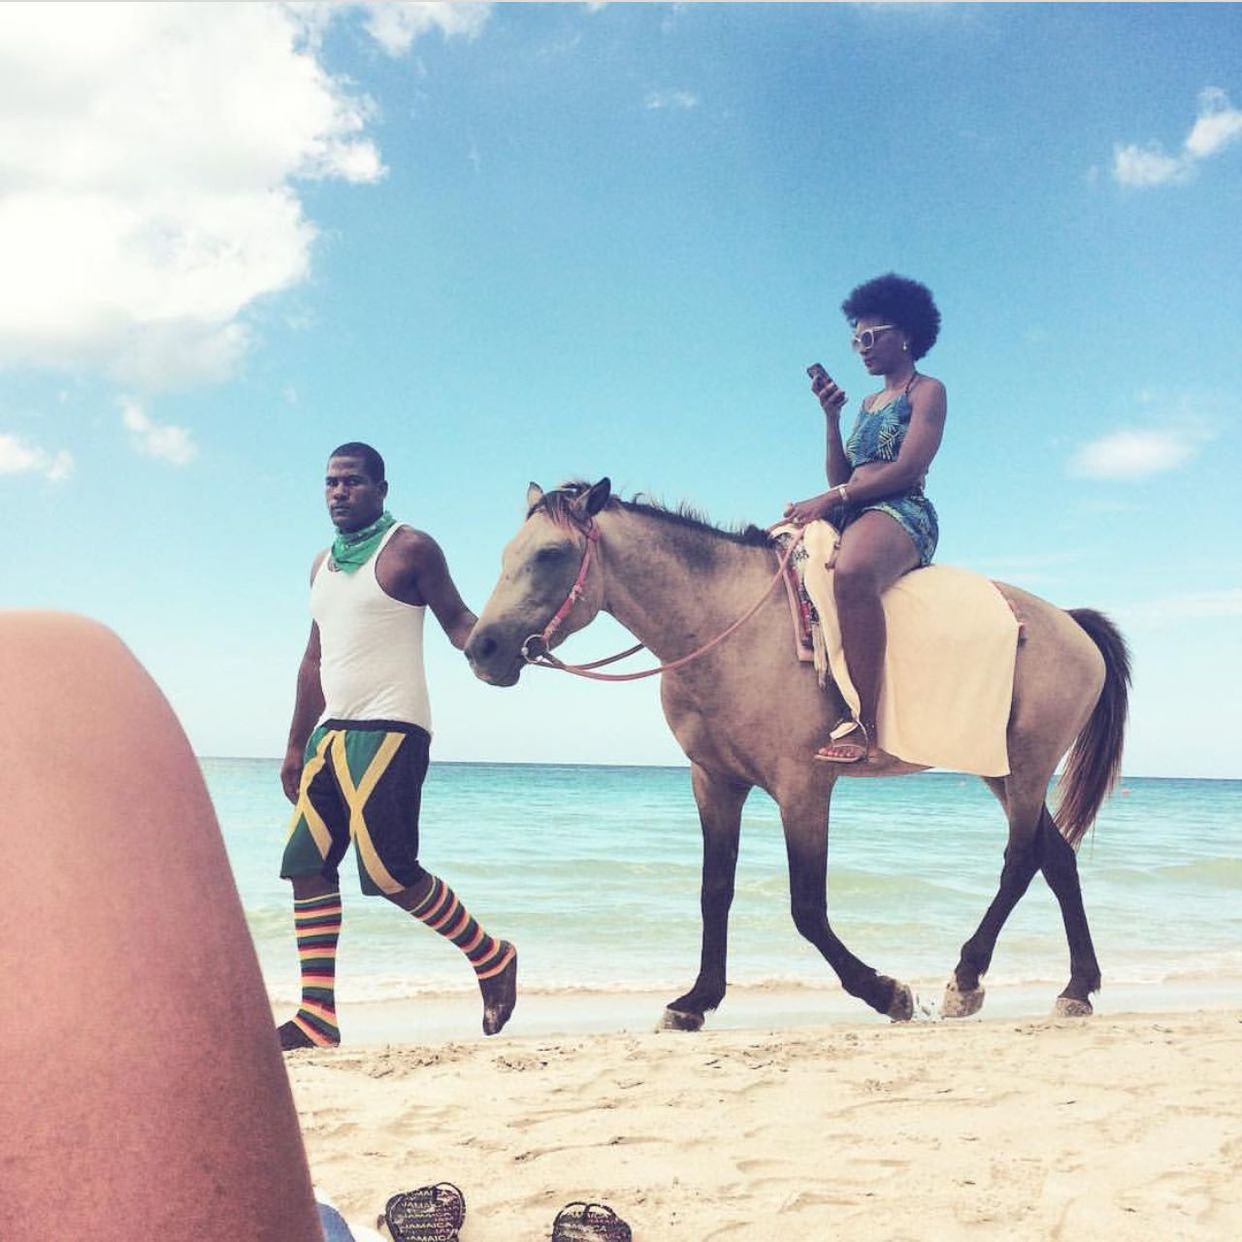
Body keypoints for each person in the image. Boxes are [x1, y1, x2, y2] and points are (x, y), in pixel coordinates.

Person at [1, 612, 328, 1240]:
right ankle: (324, 1006)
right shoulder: (57, 665)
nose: (337, 501)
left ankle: (330, 1004)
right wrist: (296, 743)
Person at [277, 442, 516, 1050]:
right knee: (307, 864)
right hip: (331, 735)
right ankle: (317, 1016)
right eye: (330, 482)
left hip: (393, 728)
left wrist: (500, 647)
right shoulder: (320, 566)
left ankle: (490, 956)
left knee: (388, 874)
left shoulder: (410, 548)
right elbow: (313, 659)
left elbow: (458, 618)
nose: (338, 492)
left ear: (381, 489)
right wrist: (295, 746)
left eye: (352, 482)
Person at [783, 273, 947, 764]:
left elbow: (909, 468)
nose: (861, 348)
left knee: (852, 574)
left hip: (901, 509)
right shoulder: (869, 405)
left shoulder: (928, 391)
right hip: (853, 508)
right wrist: (831, 419)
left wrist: (829, 497)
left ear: (906, 335)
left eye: (870, 337)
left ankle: (864, 723)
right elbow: (843, 472)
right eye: (856, 340)